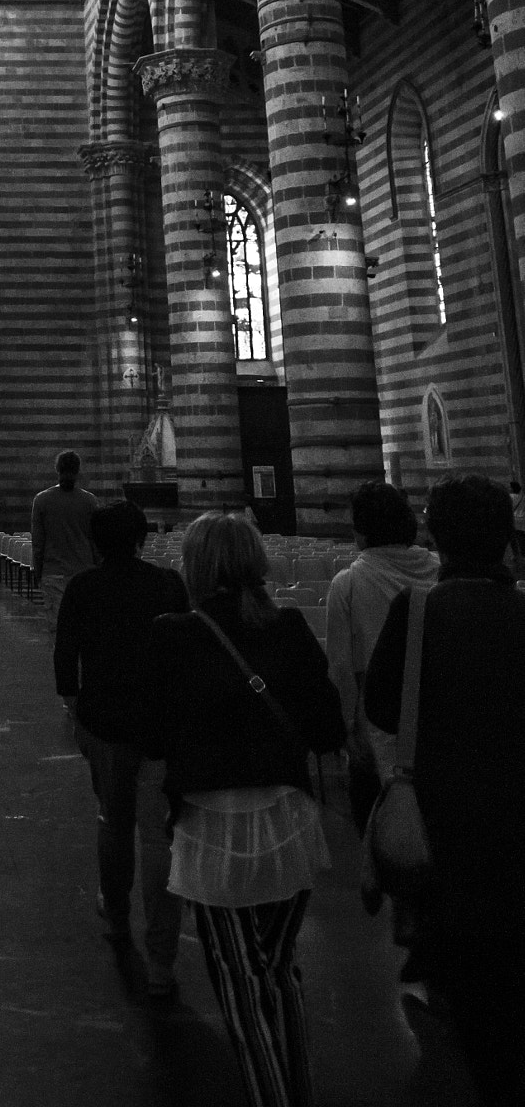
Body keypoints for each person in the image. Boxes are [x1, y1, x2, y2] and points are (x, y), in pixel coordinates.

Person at [139, 513, 344, 1107]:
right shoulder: (290, 627)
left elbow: (153, 739)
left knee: (239, 982)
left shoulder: (171, 634)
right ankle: (296, 1088)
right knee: (281, 971)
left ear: (196, 567)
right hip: (288, 824)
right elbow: (327, 726)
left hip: (214, 828)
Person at [365, 473, 525, 1106]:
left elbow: (381, 705)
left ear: (436, 533)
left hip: (449, 832)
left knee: (471, 1001)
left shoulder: (420, 608)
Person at [55, 499, 189, 997]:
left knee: (113, 819)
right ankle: (161, 962)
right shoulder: (169, 585)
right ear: (142, 539)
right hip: (159, 725)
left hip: (105, 723)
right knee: (158, 838)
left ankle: (115, 917)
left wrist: (76, 713)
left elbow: (65, 657)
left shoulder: (84, 587)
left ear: (95, 542)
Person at [324, 481, 437, 831]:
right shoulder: (439, 569)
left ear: (361, 530)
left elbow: (341, 667)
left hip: (378, 727)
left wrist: (346, 730)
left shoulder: (348, 583)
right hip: (440, 716)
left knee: (383, 832)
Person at [31, 451, 100, 631]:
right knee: (86, 631)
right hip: (84, 573)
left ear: (57, 469)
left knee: (59, 633)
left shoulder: (41, 500)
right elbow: (96, 542)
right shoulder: (90, 501)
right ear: (78, 471)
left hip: (53, 573)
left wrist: (39, 573)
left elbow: (38, 544)